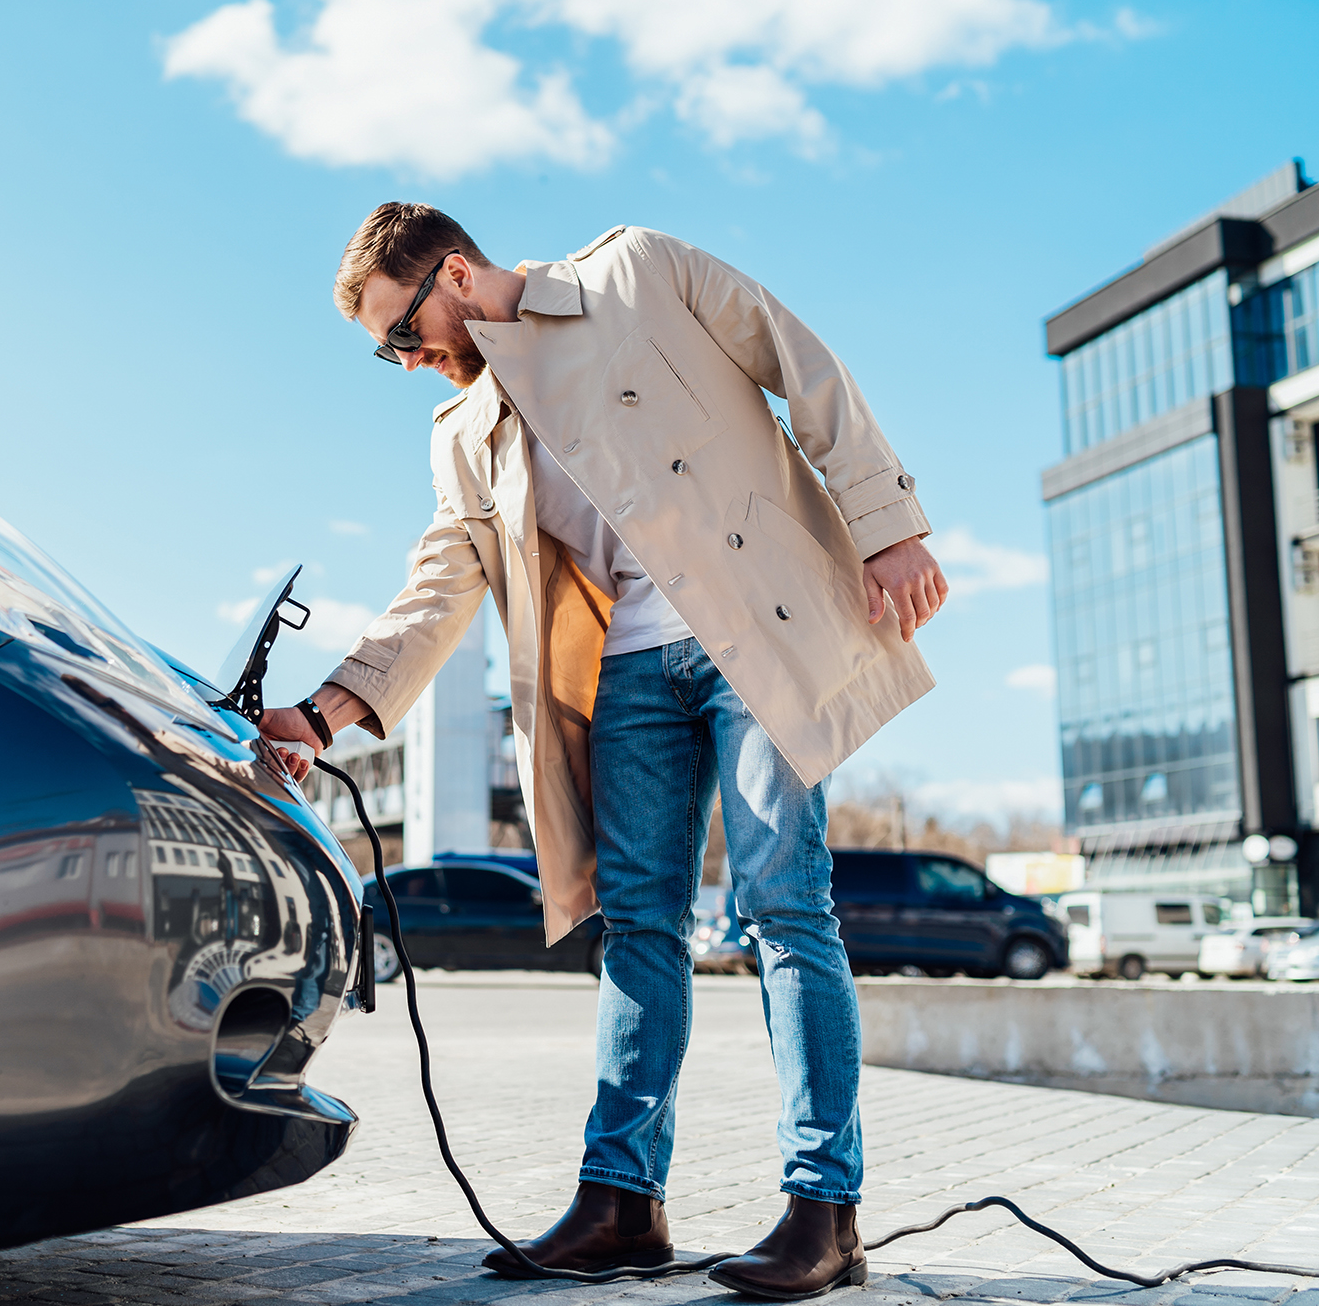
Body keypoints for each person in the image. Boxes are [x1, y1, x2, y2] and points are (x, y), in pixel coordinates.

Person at [262, 203, 946, 1298]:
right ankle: (620, 1202)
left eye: (402, 332)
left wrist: (887, 523)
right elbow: (440, 584)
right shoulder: (461, 432)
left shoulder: (631, 272)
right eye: (388, 351)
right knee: (637, 928)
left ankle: (824, 1208)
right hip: (621, 680)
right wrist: (328, 710)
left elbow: (795, 358)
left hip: (747, 633)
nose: (405, 361)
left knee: (782, 901)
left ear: (452, 273)